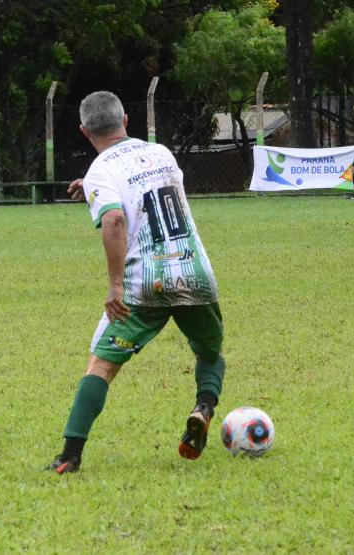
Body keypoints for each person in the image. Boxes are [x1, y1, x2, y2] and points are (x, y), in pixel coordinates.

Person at [48, 91, 226, 474]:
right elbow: (147, 192)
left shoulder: (100, 171)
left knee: (102, 365)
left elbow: (114, 220)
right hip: (193, 272)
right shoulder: (161, 153)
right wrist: (94, 187)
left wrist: (115, 287)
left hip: (146, 282)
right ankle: (203, 407)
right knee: (209, 354)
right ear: (126, 119)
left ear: (83, 131)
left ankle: (70, 456)